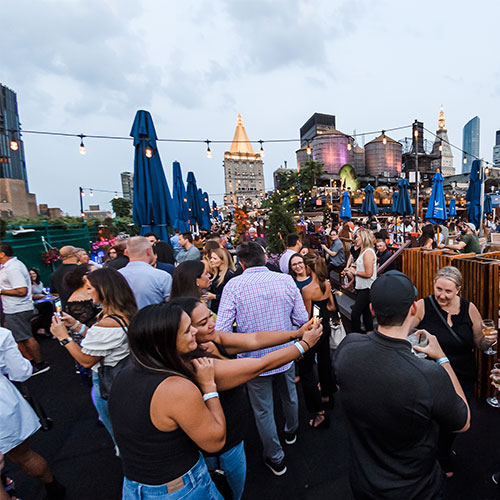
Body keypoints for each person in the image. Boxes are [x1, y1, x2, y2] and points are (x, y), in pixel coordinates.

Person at [334, 270, 470, 499]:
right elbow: (463, 421)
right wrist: (443, 359)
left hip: (363, 483)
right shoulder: (429, 374)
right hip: (416, 489)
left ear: (371, 310)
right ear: (413, 309)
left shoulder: (348, 347)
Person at [171, 297, 321, 500]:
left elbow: (255, 339)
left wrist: (297, 333)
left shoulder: (211, 339)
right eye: (203, 323)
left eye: (210, 316)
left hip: (234, 433)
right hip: (224, 447)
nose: (212, 323)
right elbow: (260, 365)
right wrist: (303, 345)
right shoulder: (200, 365)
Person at [108, 302, 226, 500]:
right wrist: (209, 388)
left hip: (136, 486)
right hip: (181, 489)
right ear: (166, 343)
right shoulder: (176, 388)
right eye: (188, 330)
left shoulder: (125, 374)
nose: (195, 331)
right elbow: (215, 441)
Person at [216, 242, 309, 476]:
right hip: (286, 352)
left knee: (263, 410)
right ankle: (291, 431)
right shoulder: (286, 280)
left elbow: (222, 331)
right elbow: (302, 318)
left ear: (241, 263)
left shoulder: (233, 285)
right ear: (265, 257)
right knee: (289, 396)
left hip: (252, 359)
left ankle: (276, 457)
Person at [412, 266, 496, 475]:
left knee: (455, 420)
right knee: (428, 419)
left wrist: (488, 342)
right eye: (438, 288)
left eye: (448, 291)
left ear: (459, 289)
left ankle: (443, 453)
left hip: (463, 375)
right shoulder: (423, 305)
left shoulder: (469, 309)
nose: (441, 295)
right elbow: (405, 333)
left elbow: (479, 343)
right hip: (432, 374)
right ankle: (428, 454)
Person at [51, 268, 137, 441]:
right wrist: (75, 324)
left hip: (108, 384)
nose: (87, 291)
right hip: (126, 378)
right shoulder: (120, 313)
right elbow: (99, 341)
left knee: (120, 436)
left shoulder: (109, 322)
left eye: (89, 287)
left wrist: (64, 337)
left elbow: (86, 360)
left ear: (103, 290)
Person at [0, 327, 65, 499]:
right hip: (3, 406)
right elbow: (20, 373)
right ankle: (53, 488)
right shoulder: (2, 335)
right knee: (25, 456)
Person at [300, 252, 337, 427]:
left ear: (308, 268)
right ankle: (327, 395)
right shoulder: (327, 284)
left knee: (306, 369)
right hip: (326, 325)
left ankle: (318, 410)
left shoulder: (307, 290)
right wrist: (321, 311)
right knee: (324, 361)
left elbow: (307, 317)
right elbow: (331, 306)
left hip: (314, 328)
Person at [0, 243, 49, 375]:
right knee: (21, 337)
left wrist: (1, 291)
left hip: (17, 309)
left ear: (2, 254)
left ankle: (37, 364)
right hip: (16, 308)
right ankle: (33, 363)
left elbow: (22, 291)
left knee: (24, 337)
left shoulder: (13, 269)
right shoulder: (9, 267)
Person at [119, 236, 172, 309]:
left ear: (126, 253)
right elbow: (172, 305)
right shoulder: (162, 276)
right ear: (149, 251)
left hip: (125, 319)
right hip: (154, 318)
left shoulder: (116, 276)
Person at [345, 228, 376, 333]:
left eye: (357, 237)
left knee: (355, 314)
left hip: (366, 288)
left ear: (363, 238)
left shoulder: (368, 252)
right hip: (362, 287)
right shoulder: (363, 251)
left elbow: (368, 273)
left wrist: (354, 272)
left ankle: (356, 335)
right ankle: (369, 332)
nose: (355, 239)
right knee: (366, 312)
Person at [207, 248, 236, 314]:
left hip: (224, 310)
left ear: (223, 260)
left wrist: (214, 296)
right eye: (211, 258)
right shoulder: (216, 273)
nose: (211, 260)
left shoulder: (229, 275)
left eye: (215, 258)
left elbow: (231, 296)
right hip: (216, 309)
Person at [29, 268, 52, 337]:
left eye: (33, 273)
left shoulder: (40, 283)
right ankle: (43, 328)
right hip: (35, 303)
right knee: (48, 306)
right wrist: (42, 297)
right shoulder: (29, 285)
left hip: (43, 300)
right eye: (30, 274)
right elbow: (32, 296)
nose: (32, 275)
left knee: (52, 303)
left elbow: (44, 292)